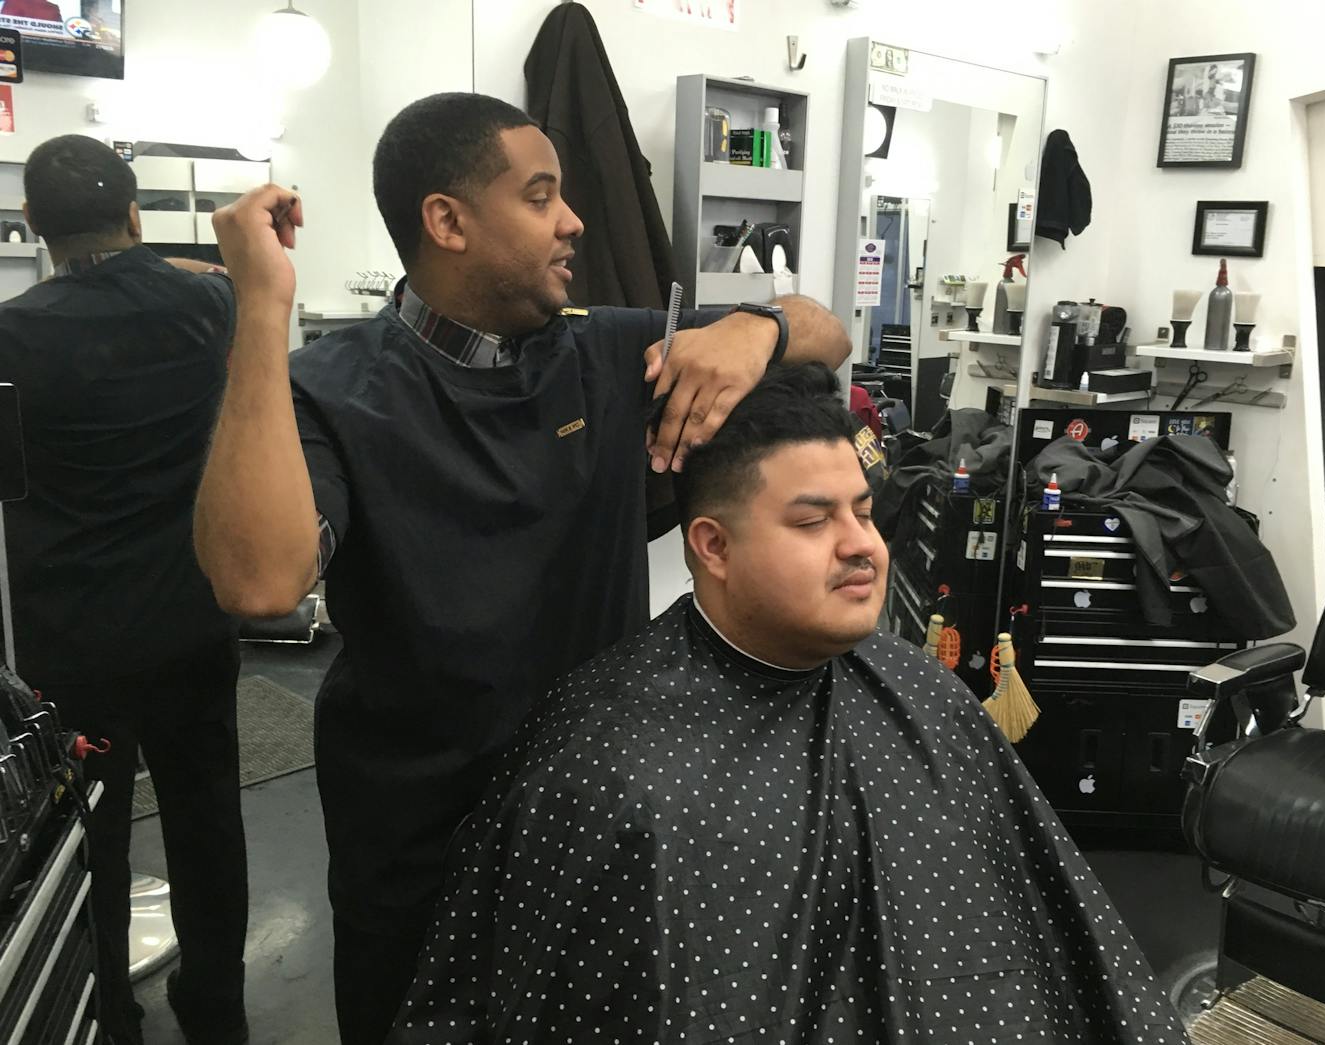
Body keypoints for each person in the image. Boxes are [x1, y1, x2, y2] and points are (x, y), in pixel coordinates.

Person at [195, 92, 850, 1043]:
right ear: (447, 222)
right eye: (541, 197)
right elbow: (256, 581)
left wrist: (758, 328)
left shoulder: (609, 352)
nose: (574, 220)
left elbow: (824, 332)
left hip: (595, 819)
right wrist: (261, 307)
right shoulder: (335, 390)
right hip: (416, 834)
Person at [389, 364, 1188, 1045]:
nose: (862, 545)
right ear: (714, 546)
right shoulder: (610, 763)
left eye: (865, 511)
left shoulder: (922, 694)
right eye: (813, 519)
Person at [0, 135, 248, 1045]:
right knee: (207, 813)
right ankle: (219, 1005)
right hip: (193, 608)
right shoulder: (209, 301)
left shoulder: (11, 334)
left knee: (91, 833)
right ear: (137, 212)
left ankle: (113, 1012)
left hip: (72, 632)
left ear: (33, 226)